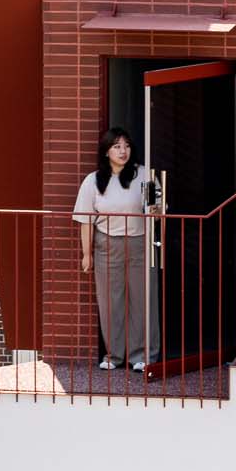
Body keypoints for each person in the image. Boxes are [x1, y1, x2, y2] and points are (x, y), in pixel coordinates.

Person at [74, 129, 159, 371]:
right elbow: (85, 220)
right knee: (111, 301)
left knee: (143, 298)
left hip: (140, 242)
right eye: (116, 146)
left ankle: (143, 356)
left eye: (127, 146)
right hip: (107, 244)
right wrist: (87, 253)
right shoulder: (93, 180)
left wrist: (156, 212)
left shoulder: (144, 174)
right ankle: (113, 355)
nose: (123, 151)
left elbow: (159, 209)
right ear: (106, 151)